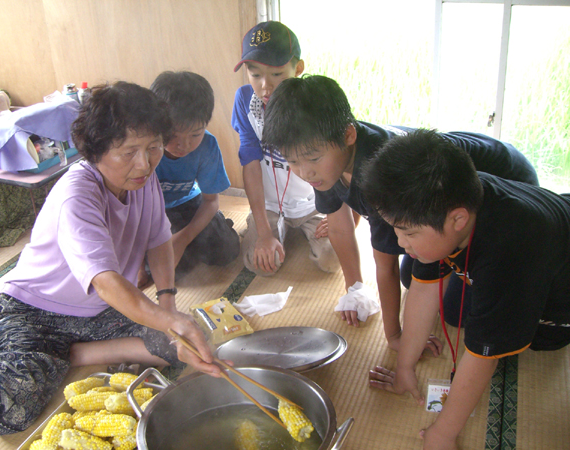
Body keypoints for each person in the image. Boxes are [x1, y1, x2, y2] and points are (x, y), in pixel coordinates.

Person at [0, 81, 220, 435]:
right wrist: (167, 321)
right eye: (129, 151)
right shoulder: (78, 195)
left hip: (95, 312)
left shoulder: (142, 180)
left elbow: (159, 240)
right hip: (33, 311)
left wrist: (168, 305)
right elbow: (106, 282)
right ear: (96, 151)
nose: (145, 163)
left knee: (183, 344)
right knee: (7, 414)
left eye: (153, 147)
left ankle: (73, 354)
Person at [261, 74, 539, 350]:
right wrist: (354, 291)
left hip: (506, 185)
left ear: (348, 134)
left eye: (311, 159)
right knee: (413, 274)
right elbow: (339, 227)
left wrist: (395, 336)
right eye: (293, 161)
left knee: (455, 308)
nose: (304, 171)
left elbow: (385, 265)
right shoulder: (324, 162)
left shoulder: (378, 178)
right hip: (445, 194)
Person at [362, 129, 570, 449]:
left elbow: (481, 356)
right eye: (396, 230)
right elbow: (423, 289)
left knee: (520, 337)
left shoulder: (510, 247)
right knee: (424, 277)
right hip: (547, 234)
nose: (401, 243)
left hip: (558, 306)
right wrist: (405, 365)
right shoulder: (446, 204)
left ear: (458, 219)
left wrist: (442, 433)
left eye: (408, 233)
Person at [232, 21, 339, 276]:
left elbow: (342, 162)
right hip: (270, 203)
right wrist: (263, 232)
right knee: (260, 265)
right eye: (255, 74)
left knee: (332, 261)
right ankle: (267, 228)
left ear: (298, 68)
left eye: (277, 74)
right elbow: (250, 162)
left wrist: (339, 215)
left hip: (313, 203)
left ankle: (296, 230)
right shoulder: (245, 100)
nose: (265, 86)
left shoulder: (314, 104)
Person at [137, 71, 239, 285]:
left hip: (189, 204)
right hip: (149, 213)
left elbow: (211, 201)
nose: (184, 145)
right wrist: (137, 267)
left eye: (195, 134)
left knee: (227, 250)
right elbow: (133, 212)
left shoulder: (208, 145)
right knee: (154, 265)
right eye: (173, 135)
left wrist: (182, 240)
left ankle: (205, 233)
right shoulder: (143, 150)